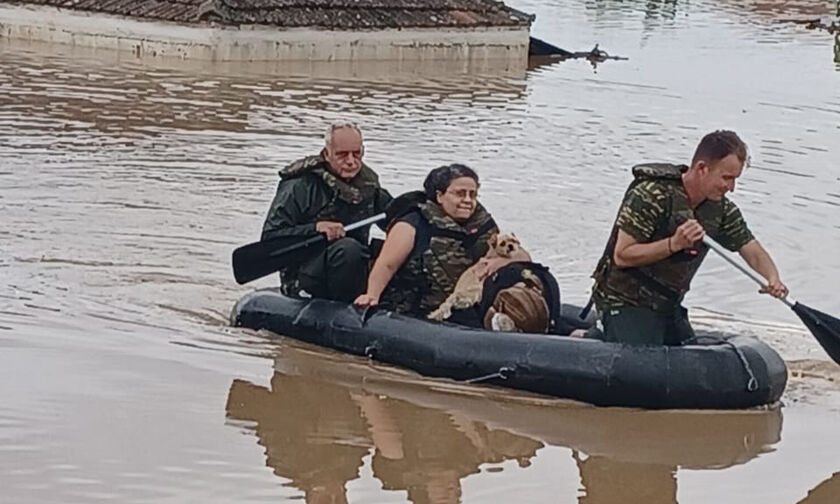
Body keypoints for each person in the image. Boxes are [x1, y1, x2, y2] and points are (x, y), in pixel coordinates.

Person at [589, 130, 788, 345]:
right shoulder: (650, 195)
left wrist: (772, 277)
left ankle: (594, 335)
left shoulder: (721, 210)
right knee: (644, 363)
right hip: (624, 300)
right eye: (727, 178)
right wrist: (673, 244)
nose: (731, 188)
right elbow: (623, 255)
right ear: (702, 168)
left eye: (735, 179)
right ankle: (593, 336)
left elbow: (751, 249)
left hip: (667, 305)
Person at [262, 121, 392, 302]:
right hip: (307, 273)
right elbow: (270, 237)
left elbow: (393, 217)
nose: (351, 161)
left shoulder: (368, 185)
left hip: (355, 266)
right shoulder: (300, 186)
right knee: (348, 249)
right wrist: (315, 228)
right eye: (342, 155)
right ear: (327, 153)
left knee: (394, 249)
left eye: (356, 153)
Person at [353, 164, 498, 322]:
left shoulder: (483, 225)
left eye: (473, 195)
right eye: (460, 194)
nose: (468, 200)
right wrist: (372, 295)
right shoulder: (412, 223)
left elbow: (512, 253)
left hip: (465, 307)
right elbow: (387, 265)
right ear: (439, 196)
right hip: (416, 312)